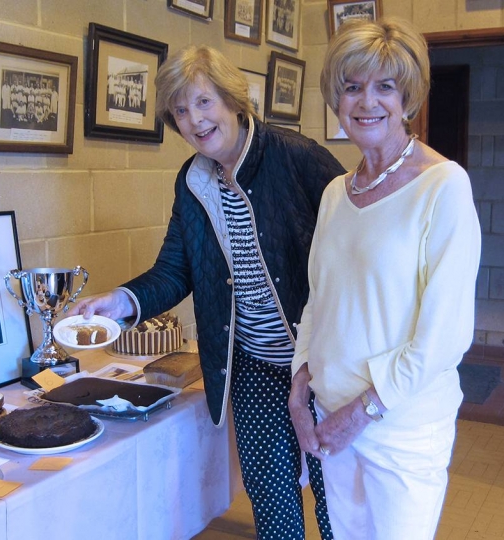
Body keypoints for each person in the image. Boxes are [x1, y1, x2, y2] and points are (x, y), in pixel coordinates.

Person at [68, 45, 345, 540]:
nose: (193, 120)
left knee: (337, 498)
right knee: (272, 498)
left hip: (322, 363)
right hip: (253, 364)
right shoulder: (194, 179)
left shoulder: (299, 158)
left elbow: (353, 252)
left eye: (203, 102)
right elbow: (175, 271)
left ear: (234, 100)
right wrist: (122, 301)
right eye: (180, 109)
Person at [288, 18, 481, 540]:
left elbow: (444, 336)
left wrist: (362, 410)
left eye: (384, 87)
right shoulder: (335, 192)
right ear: (336, 97)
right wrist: (299, 382)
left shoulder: (443, 187)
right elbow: (317, 303)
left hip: (399, 428)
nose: (366, 101)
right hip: (333, 420)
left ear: (408, 97)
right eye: (352, 87)